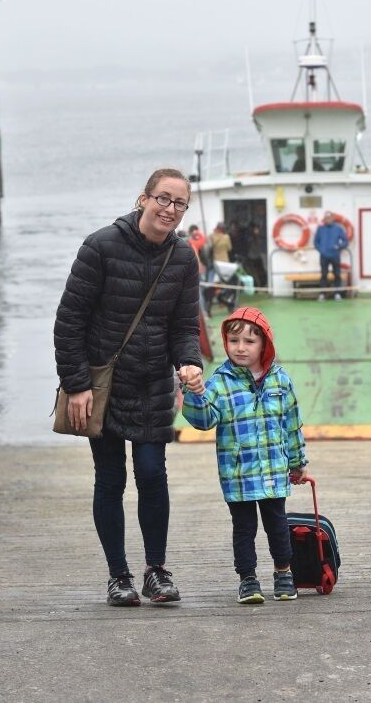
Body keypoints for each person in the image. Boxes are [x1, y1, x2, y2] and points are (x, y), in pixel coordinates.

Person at [54, 167, 204, 607]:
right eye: (163, 199)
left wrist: (190, 363)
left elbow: (184, 326)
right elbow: (69, 321)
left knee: (153, 475)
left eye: (179, 203)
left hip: (153, 384)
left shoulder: (183, 258)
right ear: (143, 199)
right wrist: (77, 384)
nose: (170, 209)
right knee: (110, 478)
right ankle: (118, 575)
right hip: (103, 387)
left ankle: (156, 571)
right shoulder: (101, 246)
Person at [181, 306, 308, 604]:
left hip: (274, 471)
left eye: (249, 341)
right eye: (234, 340)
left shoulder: (281, 380)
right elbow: (204, 420)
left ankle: (283, 573)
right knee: (244, 528)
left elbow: (292, 424)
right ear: (226, 343)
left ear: (264, 344)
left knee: (277, 524)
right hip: (238, 475)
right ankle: (248, 579)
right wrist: (195, 393)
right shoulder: (220, 381)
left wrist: (298, 463)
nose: (241, 348)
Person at [314, 211, 348, 300]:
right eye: (325, 218)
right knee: (323, 275)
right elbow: (316, 242)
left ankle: (337, 293)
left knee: (337, 274)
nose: (327, 219)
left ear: (333, 218)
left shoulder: (338, 229)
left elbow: (345, 241)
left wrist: (339, 246)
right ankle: (323, 294)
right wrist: (321, 250)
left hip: (335, 255)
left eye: (329, 218)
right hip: (324, 256)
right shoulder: (320, 229)